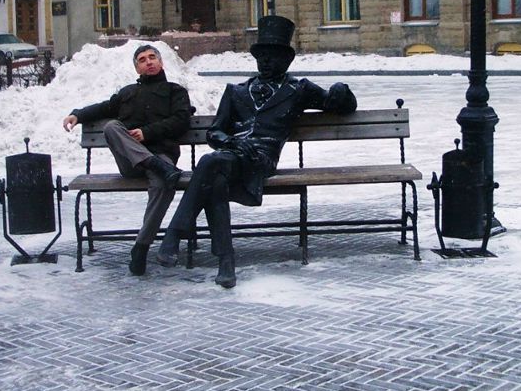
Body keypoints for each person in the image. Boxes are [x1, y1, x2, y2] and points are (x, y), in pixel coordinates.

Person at [155, 16, 356, 288]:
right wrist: (233, 142)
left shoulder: (298, 90)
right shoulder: (237, 92)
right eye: (261, 56)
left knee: (210, 165)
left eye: (272, 56)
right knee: (215, 181)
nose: (266, 61)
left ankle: (175, 234)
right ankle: (226, 261)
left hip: (262, 159)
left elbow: (338, 104)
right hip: (231, 157)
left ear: (286, 60)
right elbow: (214, 133)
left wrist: (341, 90)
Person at [62, 44, 191, 276]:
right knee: (112, 126)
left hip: (162, 155)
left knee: (163, 185)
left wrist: (147, 133)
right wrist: (77, 115)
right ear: (137, 68)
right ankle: (153, 164)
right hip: (132, 162)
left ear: (161, 62)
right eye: (142, 60)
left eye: (152, 57)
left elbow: (181, 121)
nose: (148, 62)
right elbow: (104, 109)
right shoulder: (128, 93)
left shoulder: (175, 91)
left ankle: (141, 247)